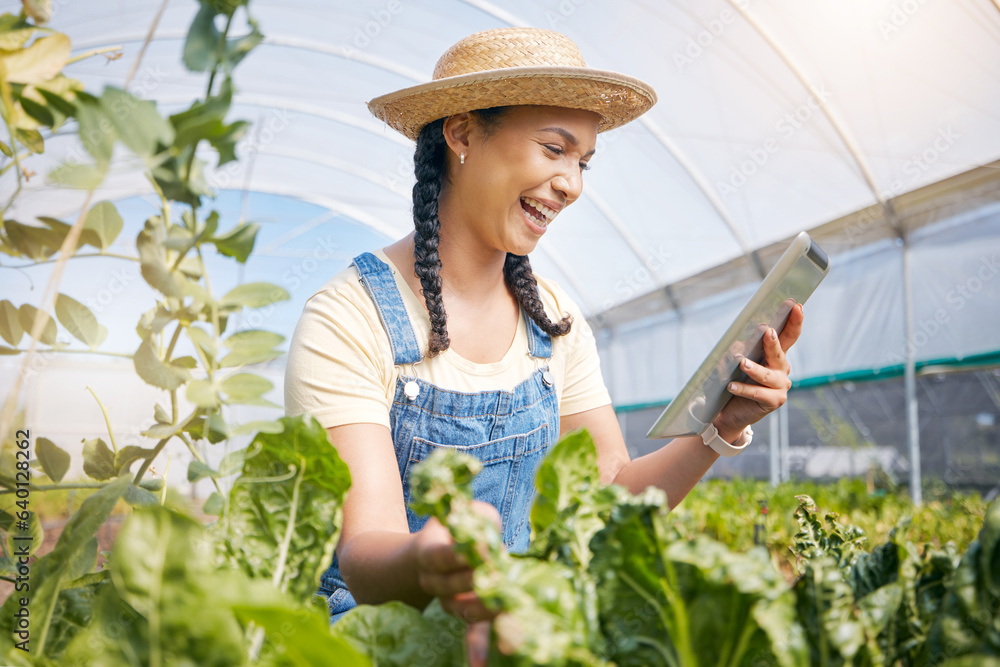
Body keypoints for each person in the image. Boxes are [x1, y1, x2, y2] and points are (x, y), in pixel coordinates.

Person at [284, 24, 803, 654]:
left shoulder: (553, 320)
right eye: (554, 149)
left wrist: (717, 427)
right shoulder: (349, 317)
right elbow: (365, 557)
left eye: (582, 162)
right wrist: (432, 557)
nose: (573, 185)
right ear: (463, 133)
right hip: (387, 639)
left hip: (528, 639)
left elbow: (608, 497)